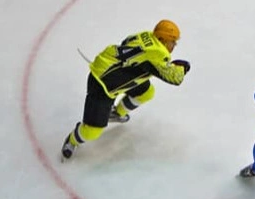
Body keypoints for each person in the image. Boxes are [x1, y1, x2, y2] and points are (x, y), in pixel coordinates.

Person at [61, 20, 189, 160]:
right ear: (162, 39)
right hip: (103, 84)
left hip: (116, 72)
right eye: (172, 41)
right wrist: (183, 67)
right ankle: (72, 140)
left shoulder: (145, 35)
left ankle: (116, 113)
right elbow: (175, 78)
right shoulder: (157, 53)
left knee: (146, 92)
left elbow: (125, 42)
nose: (174, 45)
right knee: (93, 131)